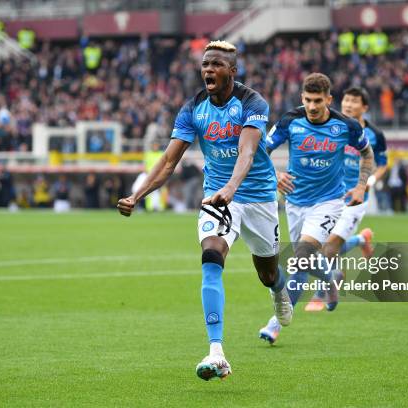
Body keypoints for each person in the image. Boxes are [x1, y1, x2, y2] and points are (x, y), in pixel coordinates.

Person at [117, 41, 292, 381]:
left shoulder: (252, 102)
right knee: (211, 255)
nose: (208, 70)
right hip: (215, 196)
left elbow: (247, 151)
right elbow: (169, 160)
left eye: (216, 64)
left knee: (267, 272)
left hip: (257, 196)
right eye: (205, 65)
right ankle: (217, 351)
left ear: (232, 70)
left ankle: (277, 289)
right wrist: (138, 195)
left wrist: (232, 188)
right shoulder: (193, 107)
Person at [259, 73, 374, 344]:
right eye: (308, 100)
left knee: (301, 256)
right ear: (302, 98)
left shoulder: (345, 126)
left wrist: (360, 187)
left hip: (329, 202)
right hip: (295, 202)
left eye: (318, 101)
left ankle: (276, 322)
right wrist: (275, 175)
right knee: (303, 262)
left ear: (328, 100)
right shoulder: (290, 120)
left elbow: (367, 154)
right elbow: (261, 150)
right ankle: (331, 278)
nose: (312, 106)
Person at [305, 86, 388, 312]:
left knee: (330, 247)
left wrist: (369, 182)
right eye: (346, 100)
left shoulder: (375, 135)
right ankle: (361, 241)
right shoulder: (333, 126)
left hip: (356, 198)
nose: (349, 105)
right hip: (330, 194)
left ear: (365, 107)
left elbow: (382, 164)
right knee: (322, 246)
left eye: (354, 101)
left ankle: (322, 291)